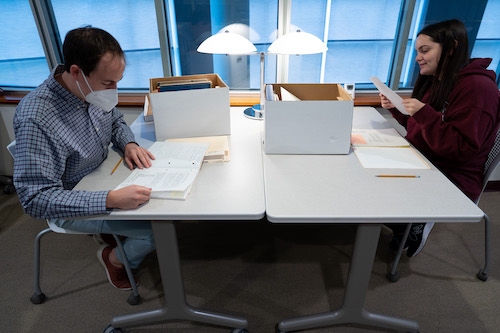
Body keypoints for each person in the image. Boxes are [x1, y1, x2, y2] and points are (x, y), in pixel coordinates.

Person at [13, 26, 156, 290]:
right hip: (72, 197)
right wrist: (110, 199)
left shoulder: (89, 90)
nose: (114, 90)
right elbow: (34, 199)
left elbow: (114, 119)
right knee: (154, 231)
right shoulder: (37, 117)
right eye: (108, 83)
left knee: (160, 205)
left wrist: (129, 143)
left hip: (104, 173)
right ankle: (113, 259)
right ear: (77, 72)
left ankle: (110, 231)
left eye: (118, 81)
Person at [380, 19, 500, 257]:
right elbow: (426, 128)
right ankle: (406, 224)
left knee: (374, 187)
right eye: (417, 52)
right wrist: (398, 109)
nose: (418, 58)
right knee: (370, 173)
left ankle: (413, 224)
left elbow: (460, 148)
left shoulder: (478, 89)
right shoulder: (439, 81)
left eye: (425, 50)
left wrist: (423, 113)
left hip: (451, 176)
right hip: (426, 160)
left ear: (451, 48)